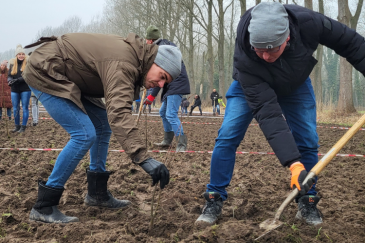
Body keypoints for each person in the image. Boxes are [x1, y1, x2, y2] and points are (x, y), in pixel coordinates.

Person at [195, 2, 365, 227]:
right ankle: (214, 197)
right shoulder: (246, 55)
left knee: (307, 138)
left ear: (287, 38)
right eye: (259, 49)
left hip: (295, 84)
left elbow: (351, 43)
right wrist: (293, 165)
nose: (265, 56)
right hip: (251, 85)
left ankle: (307, 199)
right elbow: (269, 115)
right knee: (228, 135)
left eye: (272, 49)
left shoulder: (309, 23)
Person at [22, 33, 182, 223]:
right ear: (154, 62)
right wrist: (144, 158)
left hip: (71, 76)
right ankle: (44, 206)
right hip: (47, 70)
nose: (161, 85)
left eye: (166, 82)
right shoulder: (124, 63)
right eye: (162, 76)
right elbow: (119, 114)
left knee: (102, 125)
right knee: (84, 134)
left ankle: (97, 194)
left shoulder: (135, 60)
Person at [144, 25, 190, 152]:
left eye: (147, 40)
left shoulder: (160, 50)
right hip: (172, 86)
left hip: (176, 84)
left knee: (170, 114)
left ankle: (182, 144)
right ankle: (167, 140)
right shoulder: (164, 46)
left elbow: (160, 77)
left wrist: (152, 96)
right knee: (163, 112)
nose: (146, 42)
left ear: (151, 40)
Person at [8, 45, 31, 133]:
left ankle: (23, 126)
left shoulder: (28, 64)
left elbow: (27, 75)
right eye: (19, 54)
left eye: (22, 54)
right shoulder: (12, 64)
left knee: (25, 107)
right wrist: (10, 80)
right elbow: (10, 75)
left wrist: (16, 80)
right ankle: (17, 126)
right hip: (14, 89)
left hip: (25, 89)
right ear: (16, 55)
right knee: (15, 108)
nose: (21, 55)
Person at [27, 52, 39, 126]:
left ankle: (35, 121)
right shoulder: (39, 63)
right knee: (36, 104)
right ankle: (36, 120)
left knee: (34, 104)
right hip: (39, 86)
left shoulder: (31, 65)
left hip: (34, 86)